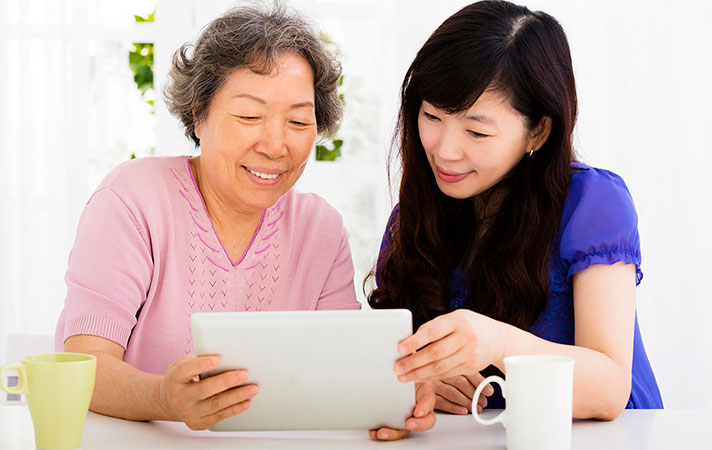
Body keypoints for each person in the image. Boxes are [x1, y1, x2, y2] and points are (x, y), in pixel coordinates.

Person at [55, 3, 434, 439]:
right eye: (250, 117)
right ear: (199, 114)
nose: (276, 145)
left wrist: (399, 398)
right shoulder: (132, 198)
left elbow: (341, 373)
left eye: (297, 121)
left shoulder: (320, 228)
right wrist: (164, 398)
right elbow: (82, 366)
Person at [369, 0, 663, 420]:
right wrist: (419, 378)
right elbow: (392, 356)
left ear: (538, 131)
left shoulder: (592, 202)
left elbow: (610, 387)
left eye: (476, 131)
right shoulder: (411, 218)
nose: (445, 151)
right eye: (431, 116)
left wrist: (498, 344)